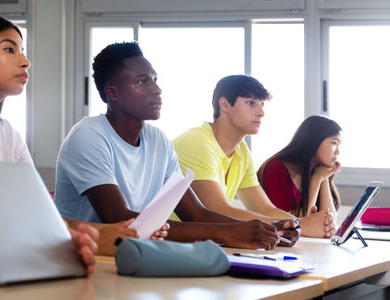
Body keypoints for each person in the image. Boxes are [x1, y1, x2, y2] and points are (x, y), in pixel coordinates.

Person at [54, 41, 300, 250]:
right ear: (113, 93)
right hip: (91, 258)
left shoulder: (159, 141)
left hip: (137, 253)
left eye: (155, 80)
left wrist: (262, 229)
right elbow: (120, 220)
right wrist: (227, 233)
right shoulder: (89, 136)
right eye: (142, 82)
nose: (157, 89)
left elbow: (196, 213)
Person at [0, 14, 135, 271]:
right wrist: (86, 236)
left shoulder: (8, 134)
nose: (26, 61)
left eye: (22, 51)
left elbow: (39, 211)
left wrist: (101, 233)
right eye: (10, 49)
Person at [173, 75, 335, 238]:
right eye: (251, 103)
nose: (261, 112)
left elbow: (264, 208)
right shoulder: (197, 142)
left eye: (262, 104)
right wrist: (300, 226)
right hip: (167, 242)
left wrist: (298, 223)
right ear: (225, 104)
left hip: (203, 243)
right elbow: (218, 211)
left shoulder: (241, 151)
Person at [257, 115, 341, 219]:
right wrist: (317, 179)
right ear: (314, 140)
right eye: (334, 143)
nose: (338, 152)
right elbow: (296, 224)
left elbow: (330, 223)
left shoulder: (318, 170)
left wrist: (324, 178)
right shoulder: (275, 168)